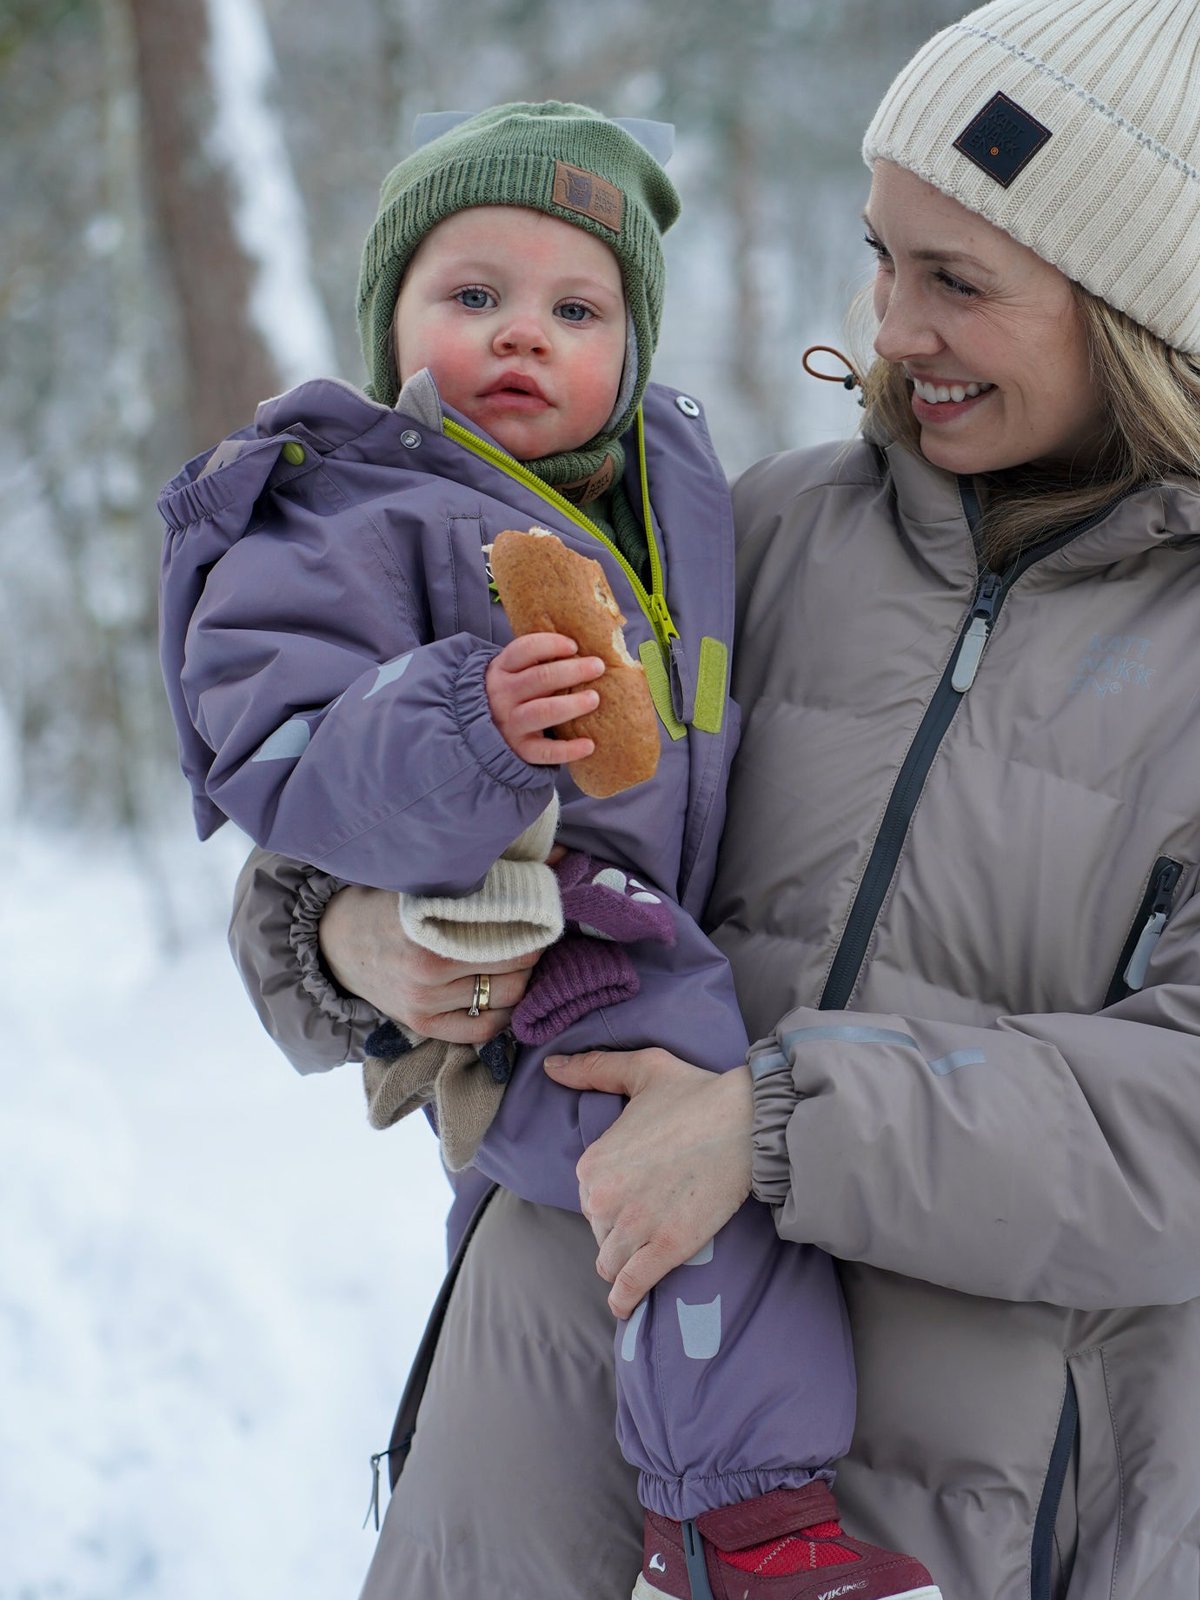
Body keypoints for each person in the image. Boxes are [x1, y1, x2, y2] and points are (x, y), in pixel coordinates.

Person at [226, 2, 1200, 1595]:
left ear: (1140, 308)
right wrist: (352, 937)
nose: (894, 326)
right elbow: (364, 794)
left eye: (958, 281)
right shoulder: (752, 536)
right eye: (883, 256)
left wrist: (776, 1122)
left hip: (970, 1513)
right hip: (536, 1449)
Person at [158, 104, 942, 1600]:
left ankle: (721, 1504)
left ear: (631, 356)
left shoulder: (674, 506)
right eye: (474, 294)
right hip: (533, 948)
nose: (525, 334)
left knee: (690, 1169)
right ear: (389, 323)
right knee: (698, 1165)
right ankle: (742, 1523)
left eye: (578, 311)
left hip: (645, 942)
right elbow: (280, 749)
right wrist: (470, 722)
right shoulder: (341, 511)